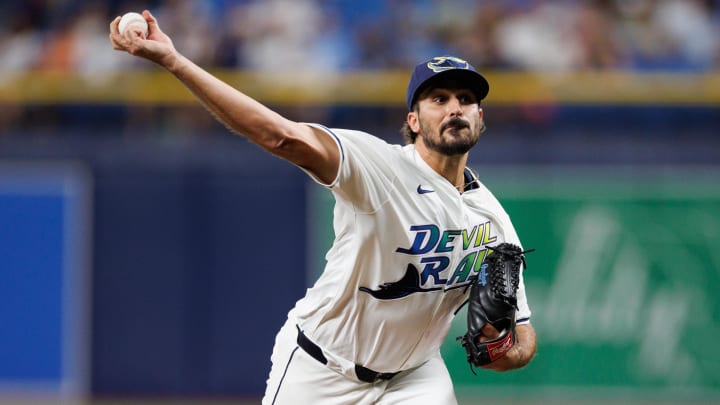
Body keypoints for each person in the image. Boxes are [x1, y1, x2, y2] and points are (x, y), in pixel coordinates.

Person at [109, 10, 537, 405]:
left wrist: (501, 348)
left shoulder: (492, 220)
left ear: (480, 117)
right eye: (438, 99)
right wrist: (174, 62)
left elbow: (521, 340)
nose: (454, 108)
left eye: (465, 99)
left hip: (413, 377)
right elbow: (282, 137)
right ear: (413, 121)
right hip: (321, 368)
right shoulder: (380, 168)